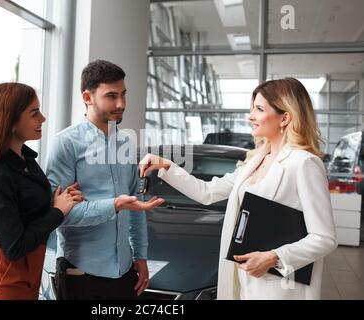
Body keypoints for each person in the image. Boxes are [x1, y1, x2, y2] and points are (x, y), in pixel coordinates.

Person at [139, 78, 338, 300]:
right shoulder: (254, 161)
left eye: (259, 109)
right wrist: (167, 165)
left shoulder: (304, 163)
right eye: (252, 108)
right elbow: (207, 192)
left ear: (285, 117)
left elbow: (324, 238)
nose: (250, 116)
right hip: (244, 282)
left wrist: (273, 257)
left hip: (279, 287)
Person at [46, 60, 164, 300]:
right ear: (87, 97)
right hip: (81, 272)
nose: (121, 104)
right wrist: (114, 205)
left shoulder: (126, 143)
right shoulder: (66, 144)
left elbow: (136, 206)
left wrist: (140, 255)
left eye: (123, 95)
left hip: (124, 271)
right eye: (111, 96)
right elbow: (61, 215)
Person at [0, 83, 83, 300]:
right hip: (4, 278)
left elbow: (26, 207)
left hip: (22, 273)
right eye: (34, 113)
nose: (42, 119)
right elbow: (15, 246)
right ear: (10, 121)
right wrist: (57, 212)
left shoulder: (26, 159)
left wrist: (56, 201)